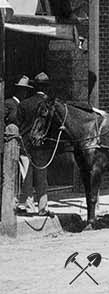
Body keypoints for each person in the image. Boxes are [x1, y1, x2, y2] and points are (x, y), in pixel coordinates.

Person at [18, 73, 51, 214]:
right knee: (42, 176)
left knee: (27, 175)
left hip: (25, 144)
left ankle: (28, 205)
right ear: (46, 87)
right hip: (41, 145)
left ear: (34, 87)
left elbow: (18, 123)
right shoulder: (49, 104)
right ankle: (42, 207)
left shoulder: (24, 104)